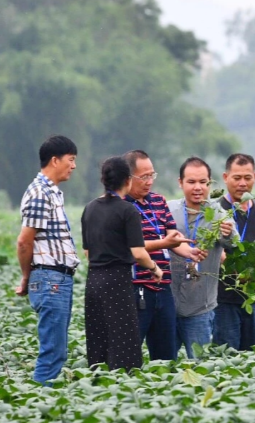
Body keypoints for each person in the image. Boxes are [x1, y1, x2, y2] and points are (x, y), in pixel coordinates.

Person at [122, 150, 207, 361]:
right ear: (128, 177)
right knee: (130, 352)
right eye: (144, 177)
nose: (149, 181)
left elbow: (171, 236)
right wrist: (165, 242)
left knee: (166, 354)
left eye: (152, 175)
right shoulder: (120, 206)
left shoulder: (159, 201)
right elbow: (129, 247)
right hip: (136, 287)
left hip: (163, 287)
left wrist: (189, 252)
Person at [81, 157, 163, 371]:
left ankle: (97, 384)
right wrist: (155, 269)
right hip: (117, 281)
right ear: (128, 180)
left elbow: (88, 251)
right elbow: (138, 252)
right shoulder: (127, 210)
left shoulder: (89, 209)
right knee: (124, 344)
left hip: (94, 282)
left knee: (98, 340)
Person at [15, 135, 80, 385]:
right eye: (71, 160)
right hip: (50, 278)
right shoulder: (40, 193)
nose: (73, 166)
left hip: (57, 278)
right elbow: (24, 241)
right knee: (53, 352)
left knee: (58, 352)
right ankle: (38, 405)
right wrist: (27, 276)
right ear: (55, 160)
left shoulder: (52, 192)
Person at [168, 157, 237, 358]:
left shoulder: (218, 214)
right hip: (167, 304)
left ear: (210, 183)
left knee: (201, 366)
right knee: (162, 366)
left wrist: (228, 233)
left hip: (201, 306)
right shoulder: (168, 210)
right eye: (191, 182)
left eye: (202, 182)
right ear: (180, 183)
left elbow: (234, 245)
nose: (197, 187)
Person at [213, 153, 255, 351]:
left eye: (247, 178)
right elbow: (210, 251)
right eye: (237, 178)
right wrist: (232, 268)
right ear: (226, 178)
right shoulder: (215, 210)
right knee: (226, 358)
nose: (242, 183)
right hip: (224, 299)